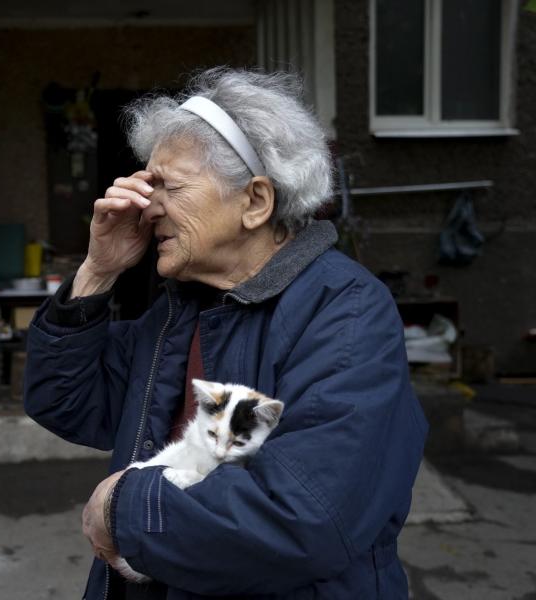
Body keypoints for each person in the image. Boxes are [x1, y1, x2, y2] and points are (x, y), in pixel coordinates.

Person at [23, 68, 428, 599]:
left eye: (169, 185)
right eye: (148, 185)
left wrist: (124, 510)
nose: (147, 206)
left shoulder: (343, 311)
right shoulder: (180, 310)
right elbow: (64, 401)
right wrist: (98, 271)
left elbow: (304, 517)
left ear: (256, 202)